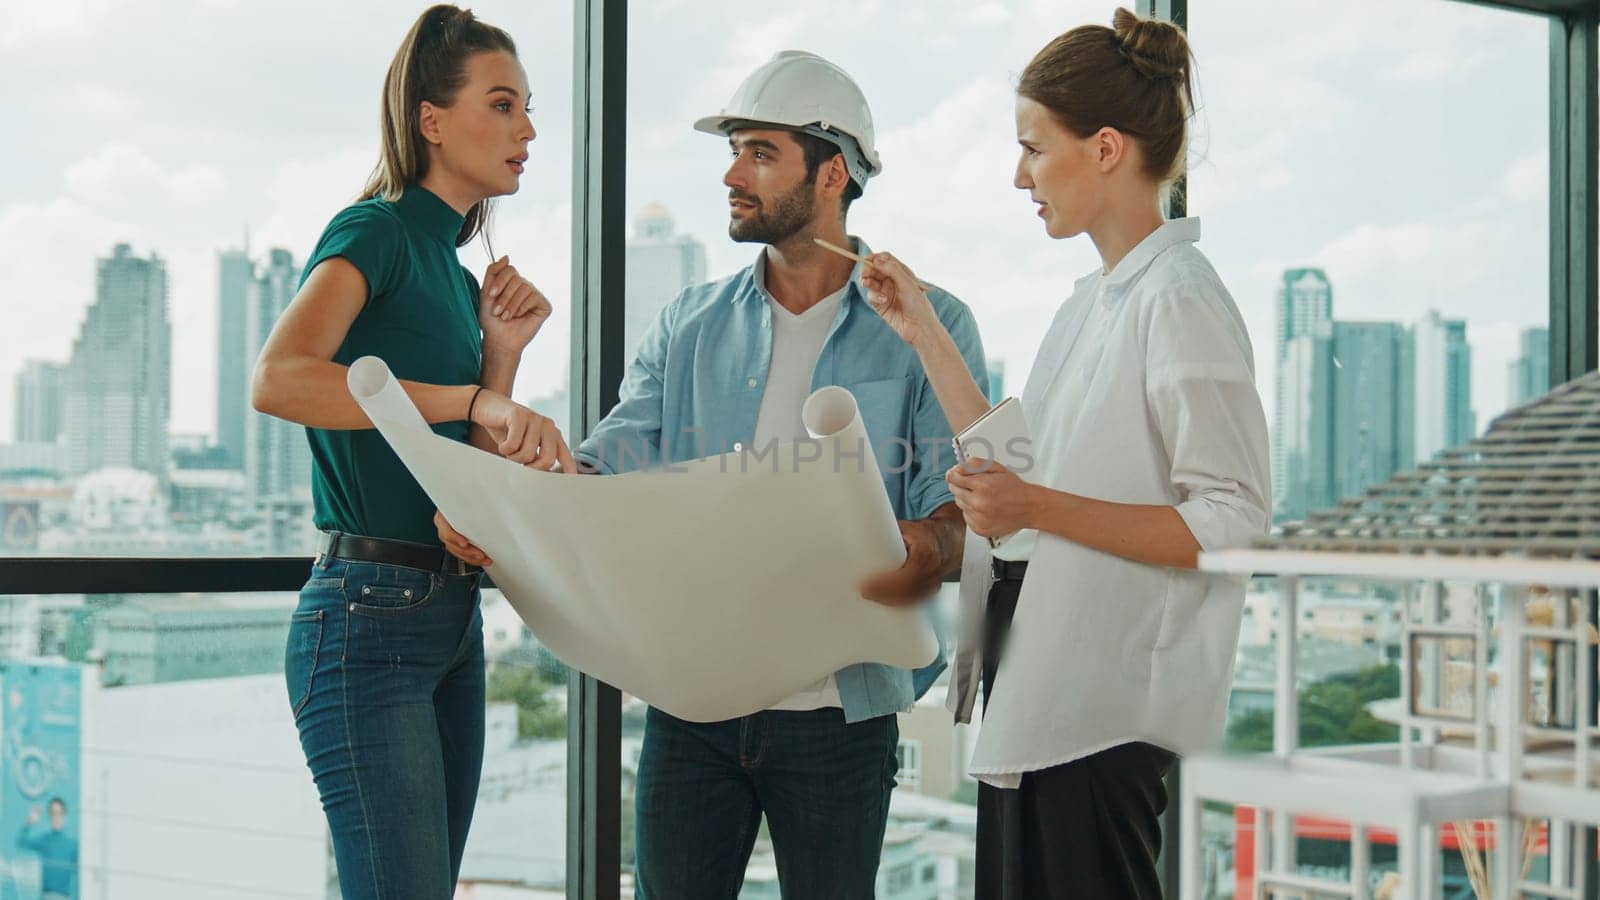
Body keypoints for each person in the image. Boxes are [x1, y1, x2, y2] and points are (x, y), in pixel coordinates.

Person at [442, 50, 986, 899]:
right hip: (692, 705)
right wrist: (512, 509)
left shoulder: (929, 324)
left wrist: (891, 545)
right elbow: (603, 470)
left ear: (832, 170)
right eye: (734, 150)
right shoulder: (688, 323)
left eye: (760, 153)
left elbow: (958, 519)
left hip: (841, 718)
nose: (733, 174)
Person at [859, 9, 1271, 898]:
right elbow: (1019, 469)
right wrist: (923, 331)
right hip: (1044, 700)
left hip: (1105, 719)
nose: (1020, 176)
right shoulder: (1094, 302)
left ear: (1108, 148)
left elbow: (1233, 521)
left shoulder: (1181, 300)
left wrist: (1036, 510)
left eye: (1035, 148)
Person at [250, 6, 572, 897]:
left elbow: (458, 480)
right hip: (364, 622)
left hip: (447, 617)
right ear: (432, 120)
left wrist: (499, 355)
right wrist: (474, 393)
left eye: (529, 106)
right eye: (503, 105)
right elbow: (279, 377)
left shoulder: (455, 276)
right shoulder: (376, 230)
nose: (529, 130)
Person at [15, 799, 76, 900]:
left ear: (65, 815)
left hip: (65, 897)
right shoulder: (45, 840)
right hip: (46, 896)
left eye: (59, 813)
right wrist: (29, 822)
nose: (56, 817)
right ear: (49, 816)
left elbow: (79, 876)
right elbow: (21, 841)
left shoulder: (73, 845)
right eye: (53, 813)